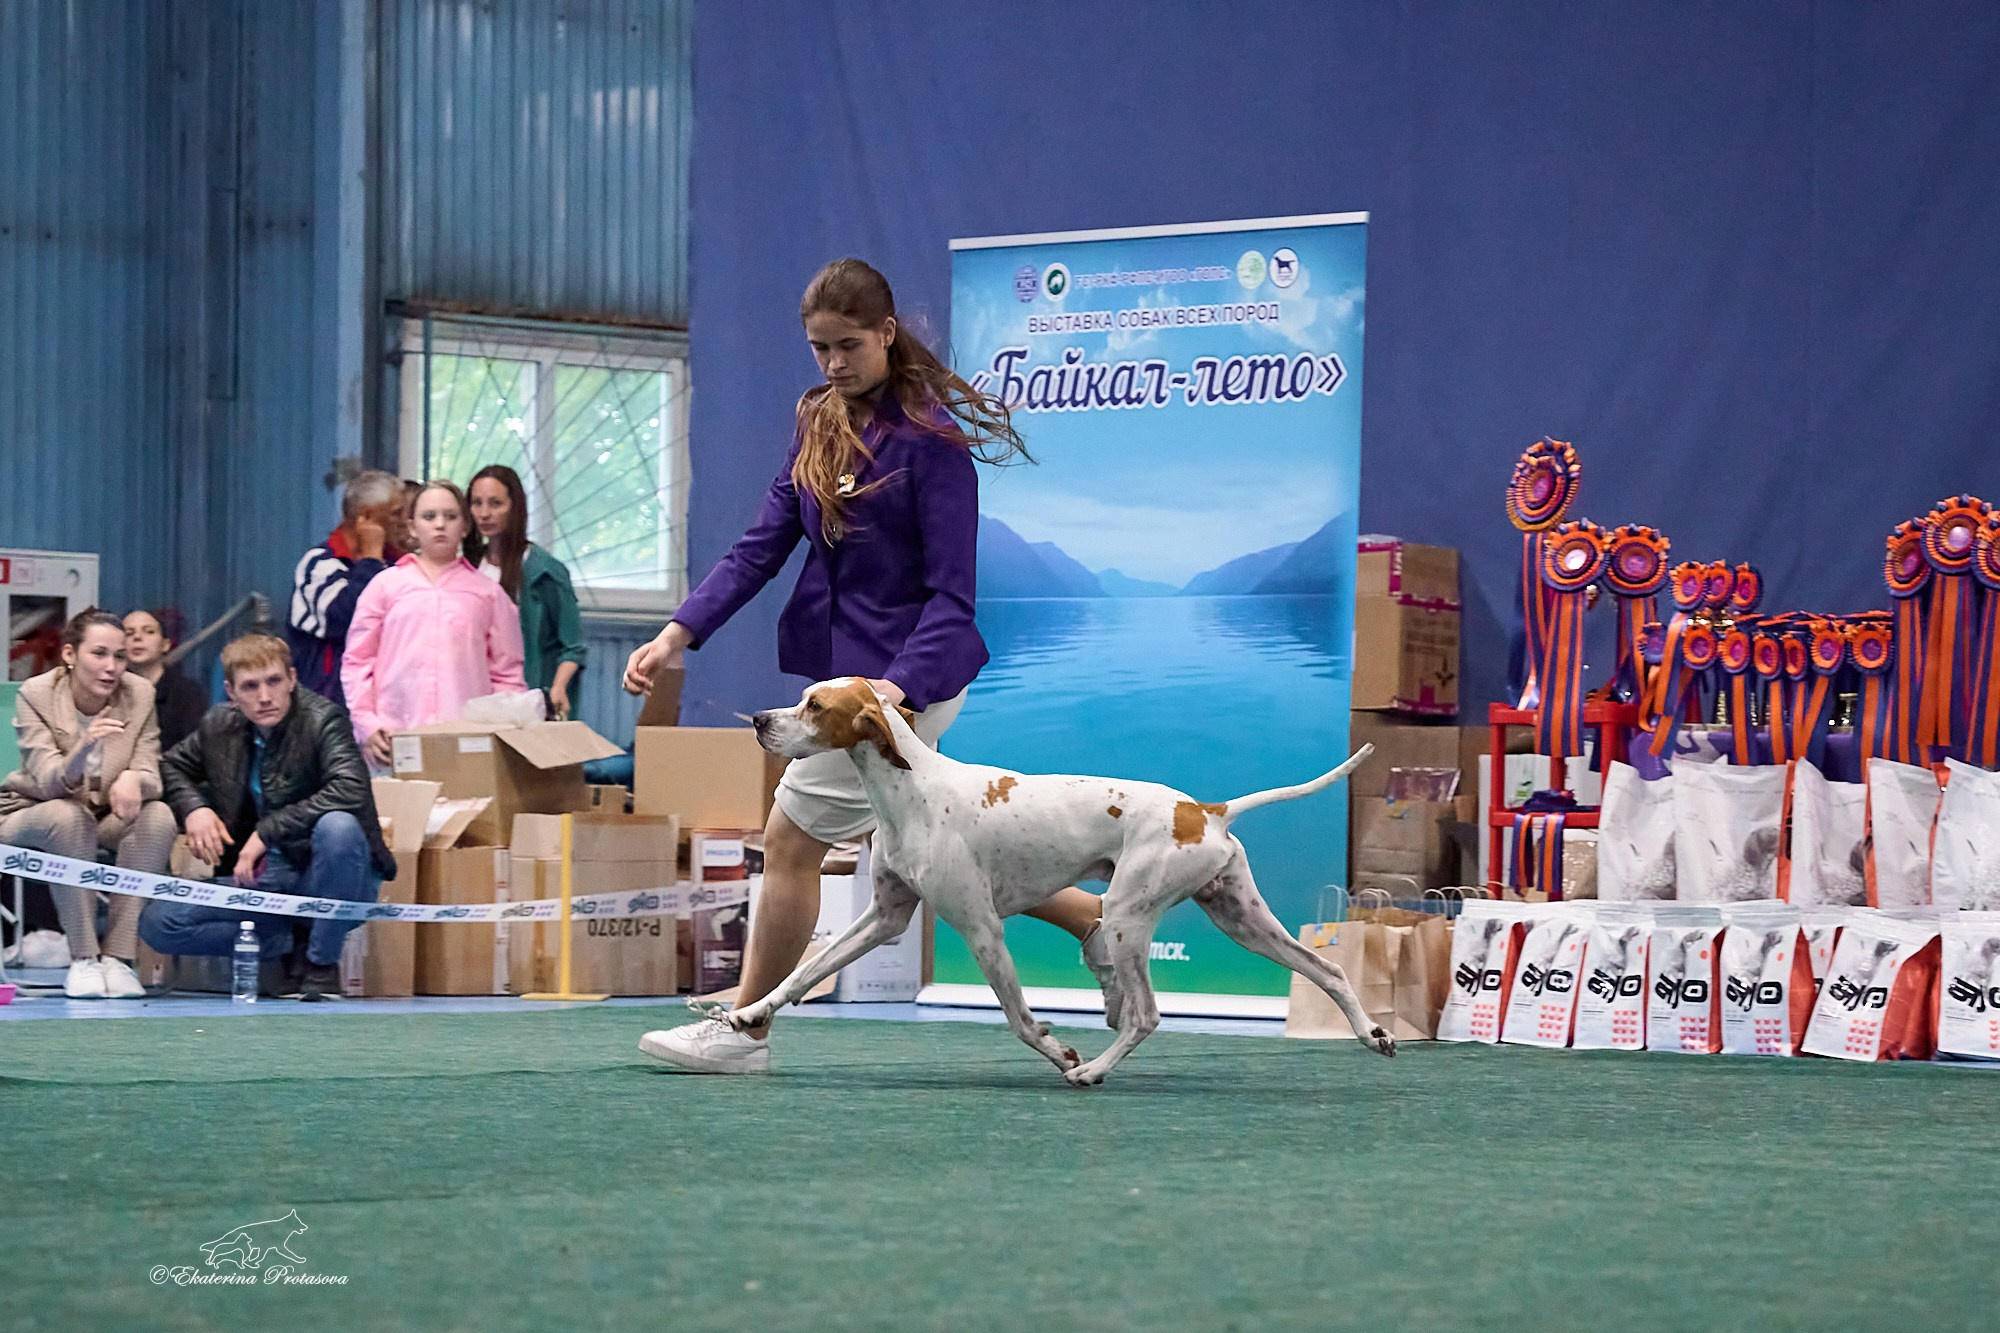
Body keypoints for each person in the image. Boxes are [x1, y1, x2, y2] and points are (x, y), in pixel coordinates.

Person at [628, 258, 1107, 1074]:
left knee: (788, 840)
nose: (833, 364)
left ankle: (745, 1031)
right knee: (930, 849)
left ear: (888, 333)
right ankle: (1095, 920)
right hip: (851, 679)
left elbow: (954, 598)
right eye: (819, 349)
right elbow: (759, 547)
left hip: (911, 680)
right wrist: (680, 630)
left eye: (848, 345)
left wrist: (895, 693)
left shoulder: (934, 445)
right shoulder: (817, 421)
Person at [139, 634, 395, 1001]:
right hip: (265, 881)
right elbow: (169, 767)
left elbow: (351, 790)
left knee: (338, 826)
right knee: (158, 922)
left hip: (327, 876)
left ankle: (321, 964)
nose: (264, 696)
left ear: (292, 678)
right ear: (231, 691)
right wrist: (195, 809)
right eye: (250, 686)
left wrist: (266, 832)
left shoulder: (324, 718)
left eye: (274, 681)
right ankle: (286, 940)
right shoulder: (218, 725)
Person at [0, 609, 177, 998]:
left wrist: (133, 777)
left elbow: (151, 772)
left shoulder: (140, 694)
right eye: (99, 654)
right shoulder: (37, 694)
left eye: (119, 656)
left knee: (159, 817)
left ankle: (116, 958)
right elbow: (47, 780)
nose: (111, 667)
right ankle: (82, 957)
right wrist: (85, 747)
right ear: (69, 655)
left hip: (100, 813)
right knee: (68, 816)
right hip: (29, 810)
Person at [342, 479, 528, 766]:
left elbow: (508, 675)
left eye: (450, 516)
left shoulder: (488, 594)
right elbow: (358, 662)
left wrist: (499, 733)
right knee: (401, 810)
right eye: (429, 516)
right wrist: (367, 724)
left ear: (465, 526)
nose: (440, 524)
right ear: (412, 527)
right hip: (394, 737)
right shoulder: (385, 586)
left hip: (467, 742)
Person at [465, 464, 588, 720]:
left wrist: (558, 688)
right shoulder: (467, 566)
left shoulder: (545, 571)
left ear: (515, 507)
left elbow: (572, 647)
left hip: (527, 699)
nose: (485, 513)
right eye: (477, 503)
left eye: (495, 503)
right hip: (476, 697)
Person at [288, 469, 410, 707]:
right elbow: (346, 619)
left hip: (385, 705)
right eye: (396, 514)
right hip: (327, 708)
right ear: (367, 517)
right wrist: (371, 559)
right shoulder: (319, 564)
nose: (404, 522)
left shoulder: (397, 565)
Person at [122, 608, 209, 752]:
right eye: (128, 633)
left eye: (149, 631)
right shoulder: (111, 691)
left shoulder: (187, 694)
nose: (137, 637)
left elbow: (194, 752)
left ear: (165, 644)